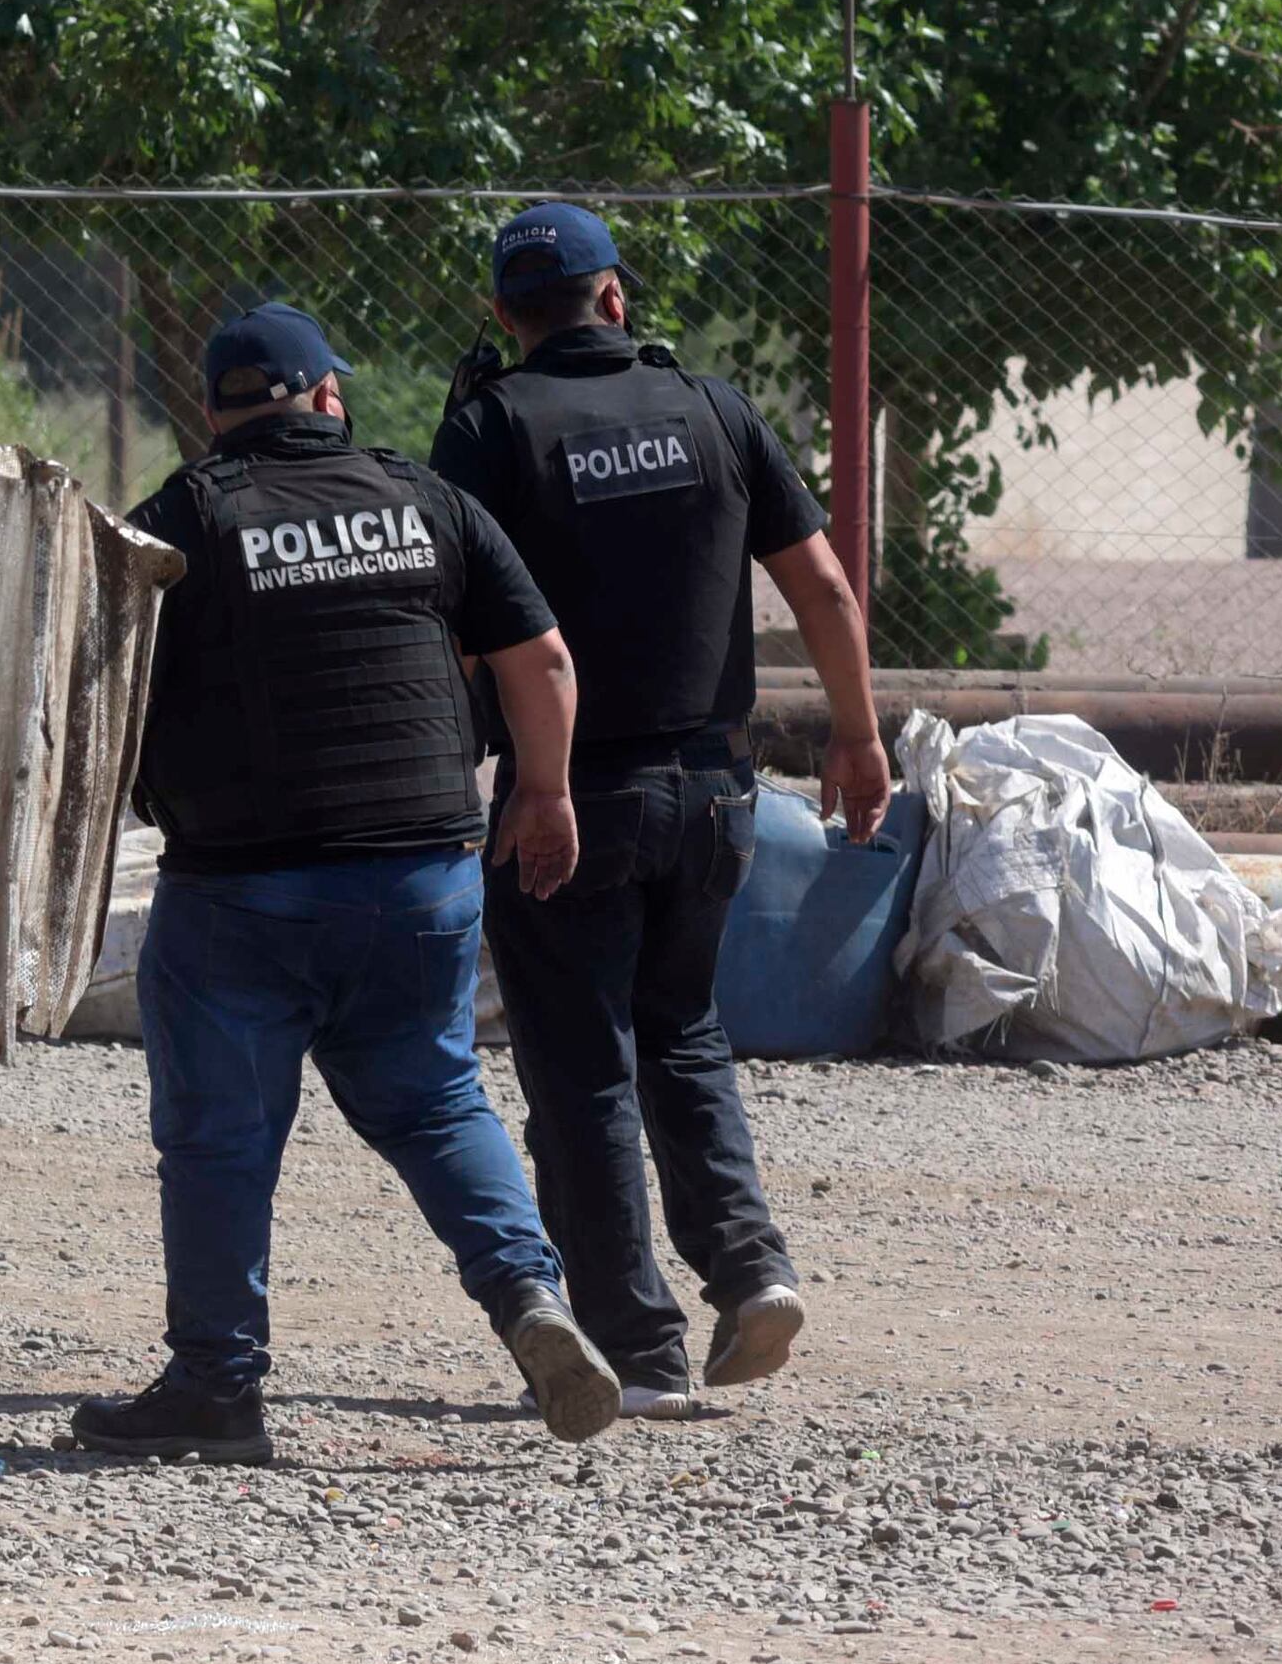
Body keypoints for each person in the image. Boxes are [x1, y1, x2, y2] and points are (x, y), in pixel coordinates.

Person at [73, 302, 625, 1465]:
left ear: (216, 418)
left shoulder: (186, 513)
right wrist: (543, 793)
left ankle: (217, 1388)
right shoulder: (426, 500)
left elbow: (91, 667)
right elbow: (543, 659)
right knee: (435, 1100)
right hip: (419, 874)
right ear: (330, 398)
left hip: (241, 892)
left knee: (219, 1138)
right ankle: (527, 1295)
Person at [432, 201, 889, 1417]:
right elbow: (825, 588)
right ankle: (749, 1269)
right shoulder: (712, 407)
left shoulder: (489, 427)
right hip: (711, 792)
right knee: (680, 1033)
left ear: (503, 316)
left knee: (581, 1065)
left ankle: (635, 1351)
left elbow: (446, 622)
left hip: (562, 800)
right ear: (616, 299)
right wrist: (854, 734)